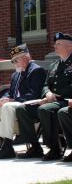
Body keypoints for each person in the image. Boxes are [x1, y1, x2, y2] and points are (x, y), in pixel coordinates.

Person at [0, 44, 46, 159]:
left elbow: (34, 94)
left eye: (16, 60)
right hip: (12, 105)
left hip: (28, 106)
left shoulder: (36, 71)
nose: (14, 63)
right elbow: (10, 92)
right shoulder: (15, 74)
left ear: (26, 58)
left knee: (7, 106)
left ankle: (7, 147)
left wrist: (11, 100)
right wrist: (3, 98)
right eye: (13, 61)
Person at [17, 32, 72, 161]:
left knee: (45, 109)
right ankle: (35, 147)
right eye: (55, 44)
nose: (55, 46)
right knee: (22, 109)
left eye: (58, 44)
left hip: (66, 101)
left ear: (69, 46)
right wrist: (47, 93)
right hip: (51, 100)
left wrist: (55, 96)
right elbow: (46, 84)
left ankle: (54, 149)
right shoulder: (54, 65)